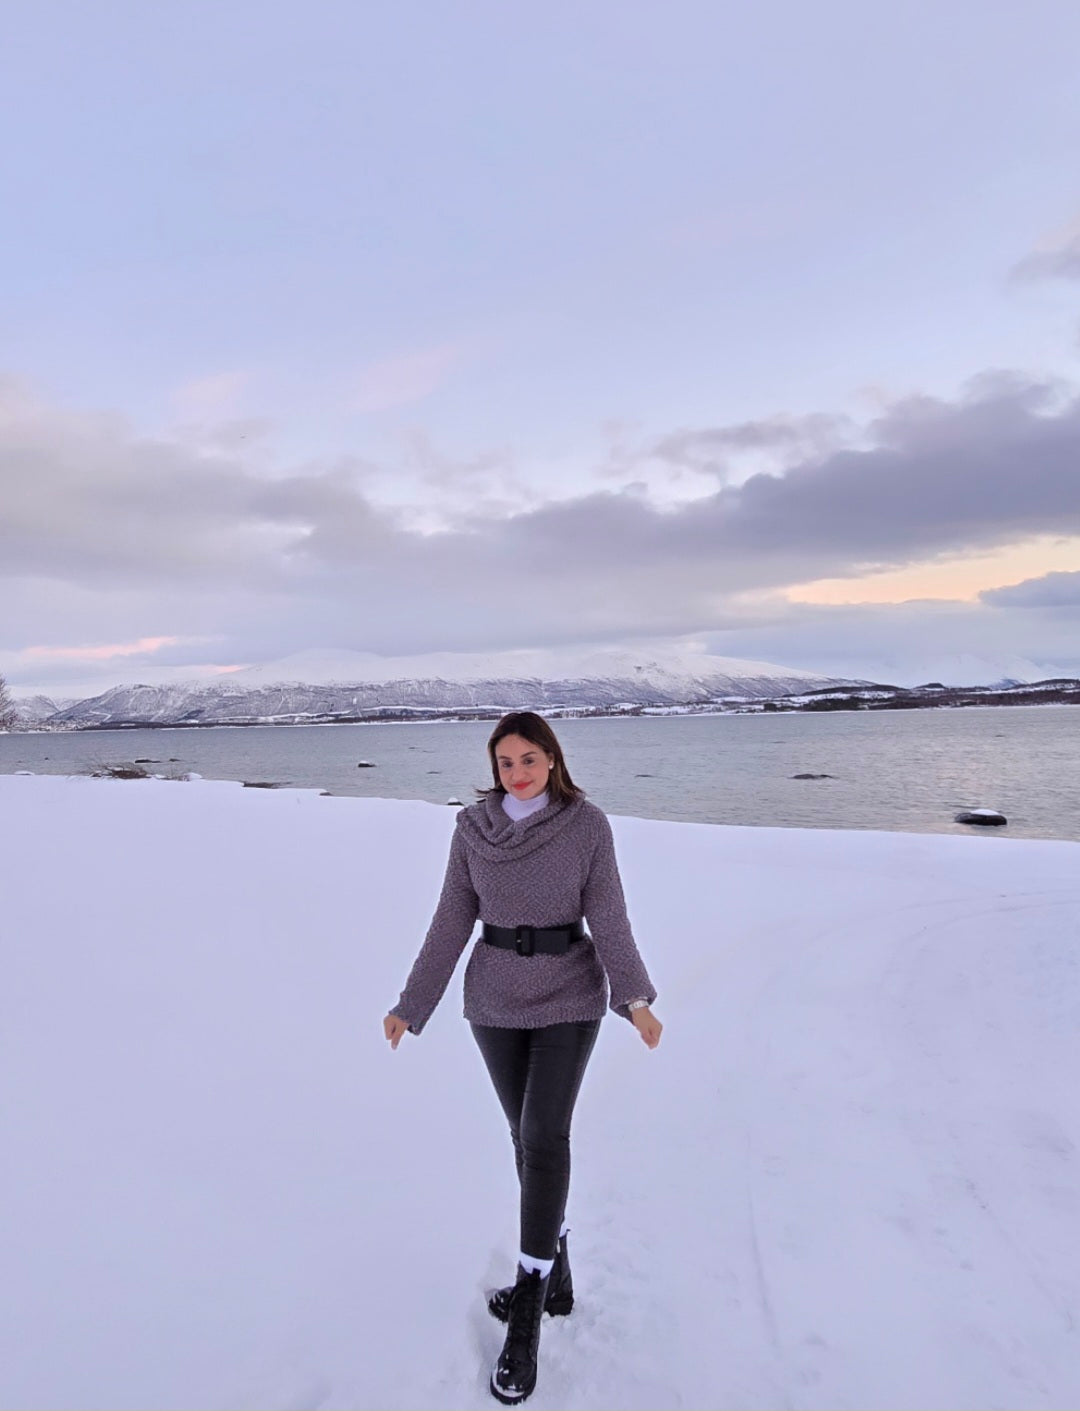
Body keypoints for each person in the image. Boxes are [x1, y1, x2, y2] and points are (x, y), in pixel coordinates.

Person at [383, 710, 661, 1406]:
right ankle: (558, 1274)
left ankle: (530, 1306)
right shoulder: (472, 829)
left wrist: (634, 998)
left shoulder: (586, 825)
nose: (517, 771)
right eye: (505, 761)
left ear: (552, 758)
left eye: (528, 758)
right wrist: (411, 1003)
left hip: (569, 993)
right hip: (495, 1002)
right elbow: (451, 919)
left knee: (544, 1135)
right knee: (523, 1139)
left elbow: (611, 917)